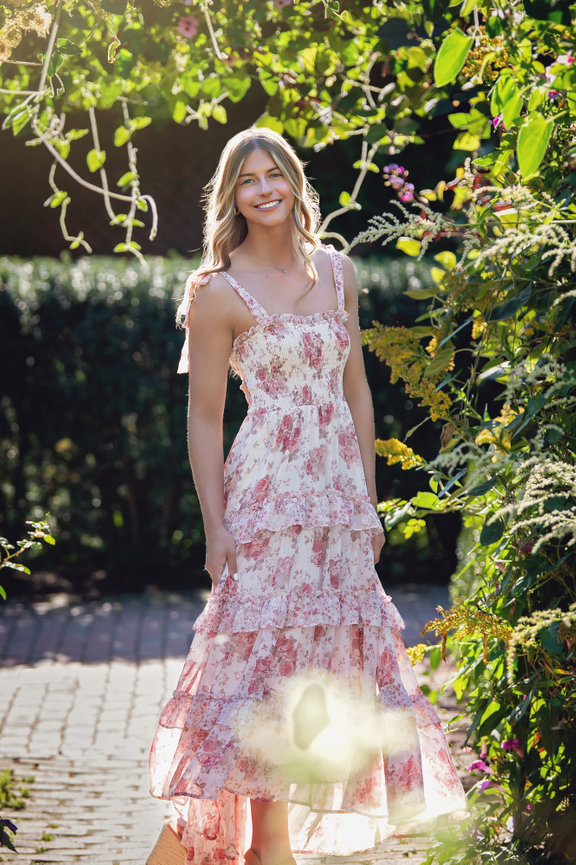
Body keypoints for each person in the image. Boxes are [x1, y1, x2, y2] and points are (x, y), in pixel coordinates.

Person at [146, 128, 467, 865]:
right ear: (231, 196)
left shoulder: (339, 271)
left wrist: (370, 502)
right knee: (262, 669)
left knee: (320, 665)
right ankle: (270, 850)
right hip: (265, 497)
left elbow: (357, 391)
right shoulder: (216, 291)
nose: (264, 189)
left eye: (275, 174)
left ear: (294, 182)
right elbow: (203, 416)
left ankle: (273, 847)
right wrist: (215, 527)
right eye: (247, 180)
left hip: (337, 505)